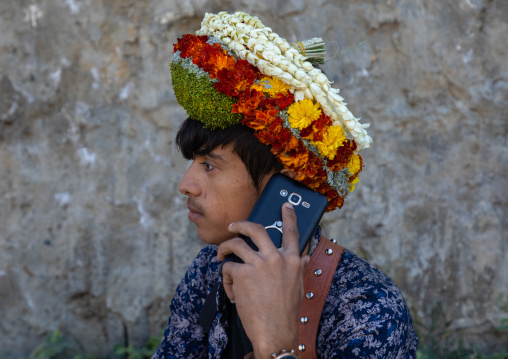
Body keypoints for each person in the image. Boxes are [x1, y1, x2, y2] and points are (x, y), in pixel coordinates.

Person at [152, 11, 418, 359]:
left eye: (209, 166)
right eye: (192, 164)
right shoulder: (208, 272)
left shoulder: (365, 308)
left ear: (285, 187)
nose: (186, 185)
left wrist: (275, 347)